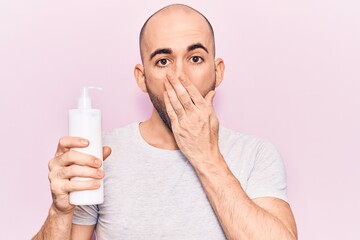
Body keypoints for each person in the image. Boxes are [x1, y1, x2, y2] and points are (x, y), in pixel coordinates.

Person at [33, 4, 297, 240]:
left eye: (195, 58)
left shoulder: (256, 154)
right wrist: (59, 212)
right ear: (142, 77)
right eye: (163, 61)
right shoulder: (100, 155)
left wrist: (206, 156)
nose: (180, 77)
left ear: (217, 71)